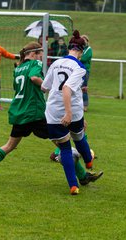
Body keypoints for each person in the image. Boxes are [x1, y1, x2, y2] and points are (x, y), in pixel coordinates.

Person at [0, 42, 102, 189]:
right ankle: (82, 175)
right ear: (33, 53)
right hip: (36, 114)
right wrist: (53, 88)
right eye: (41, 53)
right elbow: (34, 78)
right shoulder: (35, 63)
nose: (42, 56)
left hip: (19, 112)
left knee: (9, 145)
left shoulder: (18, 68)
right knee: (63, 144)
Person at [41, 30, 97, 195]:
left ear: (70, 48)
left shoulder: (56, 63)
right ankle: (88, 161)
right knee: (79, 137)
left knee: (65, 148)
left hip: (52, 111)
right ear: (81, 51)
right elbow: (66, 88)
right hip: (71, 110)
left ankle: (73, 186)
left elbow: (45, 87)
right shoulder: (79, 67)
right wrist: (68, 113)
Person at [80, 34, 92, 112]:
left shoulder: (89, 49)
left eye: (85, 40)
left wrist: (79, 57)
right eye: (82, 40)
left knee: (84, 88)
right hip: (78, 70)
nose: (83, 41)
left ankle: (85, 106)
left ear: (87, 41)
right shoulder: (80, 49)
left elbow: (84, 59)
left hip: (85, 70)